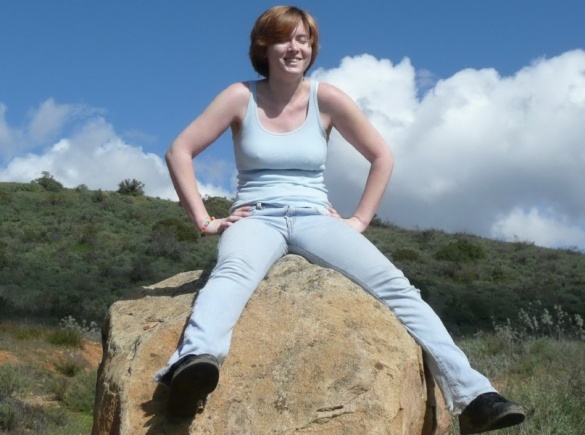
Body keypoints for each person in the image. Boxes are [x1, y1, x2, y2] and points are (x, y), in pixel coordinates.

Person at [156, 5, 525, 433]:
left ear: (312, 48)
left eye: (303, 39)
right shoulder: (241, 96)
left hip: (316, 216)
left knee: (396, 287)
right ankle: (191, 367)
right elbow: (179, 150)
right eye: (284, 39)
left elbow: (381, 155)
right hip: (257, 216)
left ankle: (474, 397)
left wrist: (359, 220)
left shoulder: (325, 98)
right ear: (264, 47)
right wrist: (205, 221)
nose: (294, 48)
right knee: (232, 272)